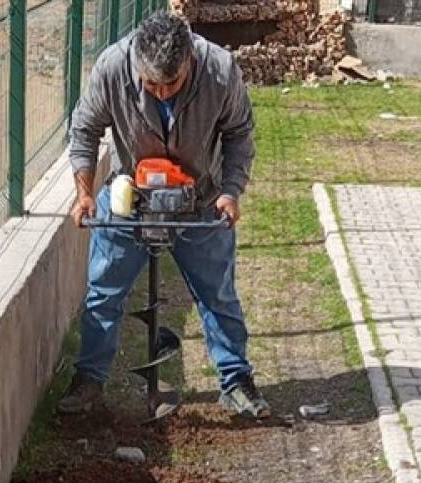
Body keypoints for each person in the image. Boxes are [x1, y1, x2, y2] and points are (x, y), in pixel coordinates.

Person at [57, 10, 270, 419]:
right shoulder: (113, 67)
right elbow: (84, 130)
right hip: (129, 198)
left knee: (218, 295)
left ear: (189, 59)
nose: (159, 93)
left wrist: (230, 192)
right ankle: (88, 382)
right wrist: (84, 196)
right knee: (104, 293)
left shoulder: (220, 71)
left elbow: (239, 133)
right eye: (149, 84)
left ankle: (236, 381)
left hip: (201, 198)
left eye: (170, 84)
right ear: (136, 61)